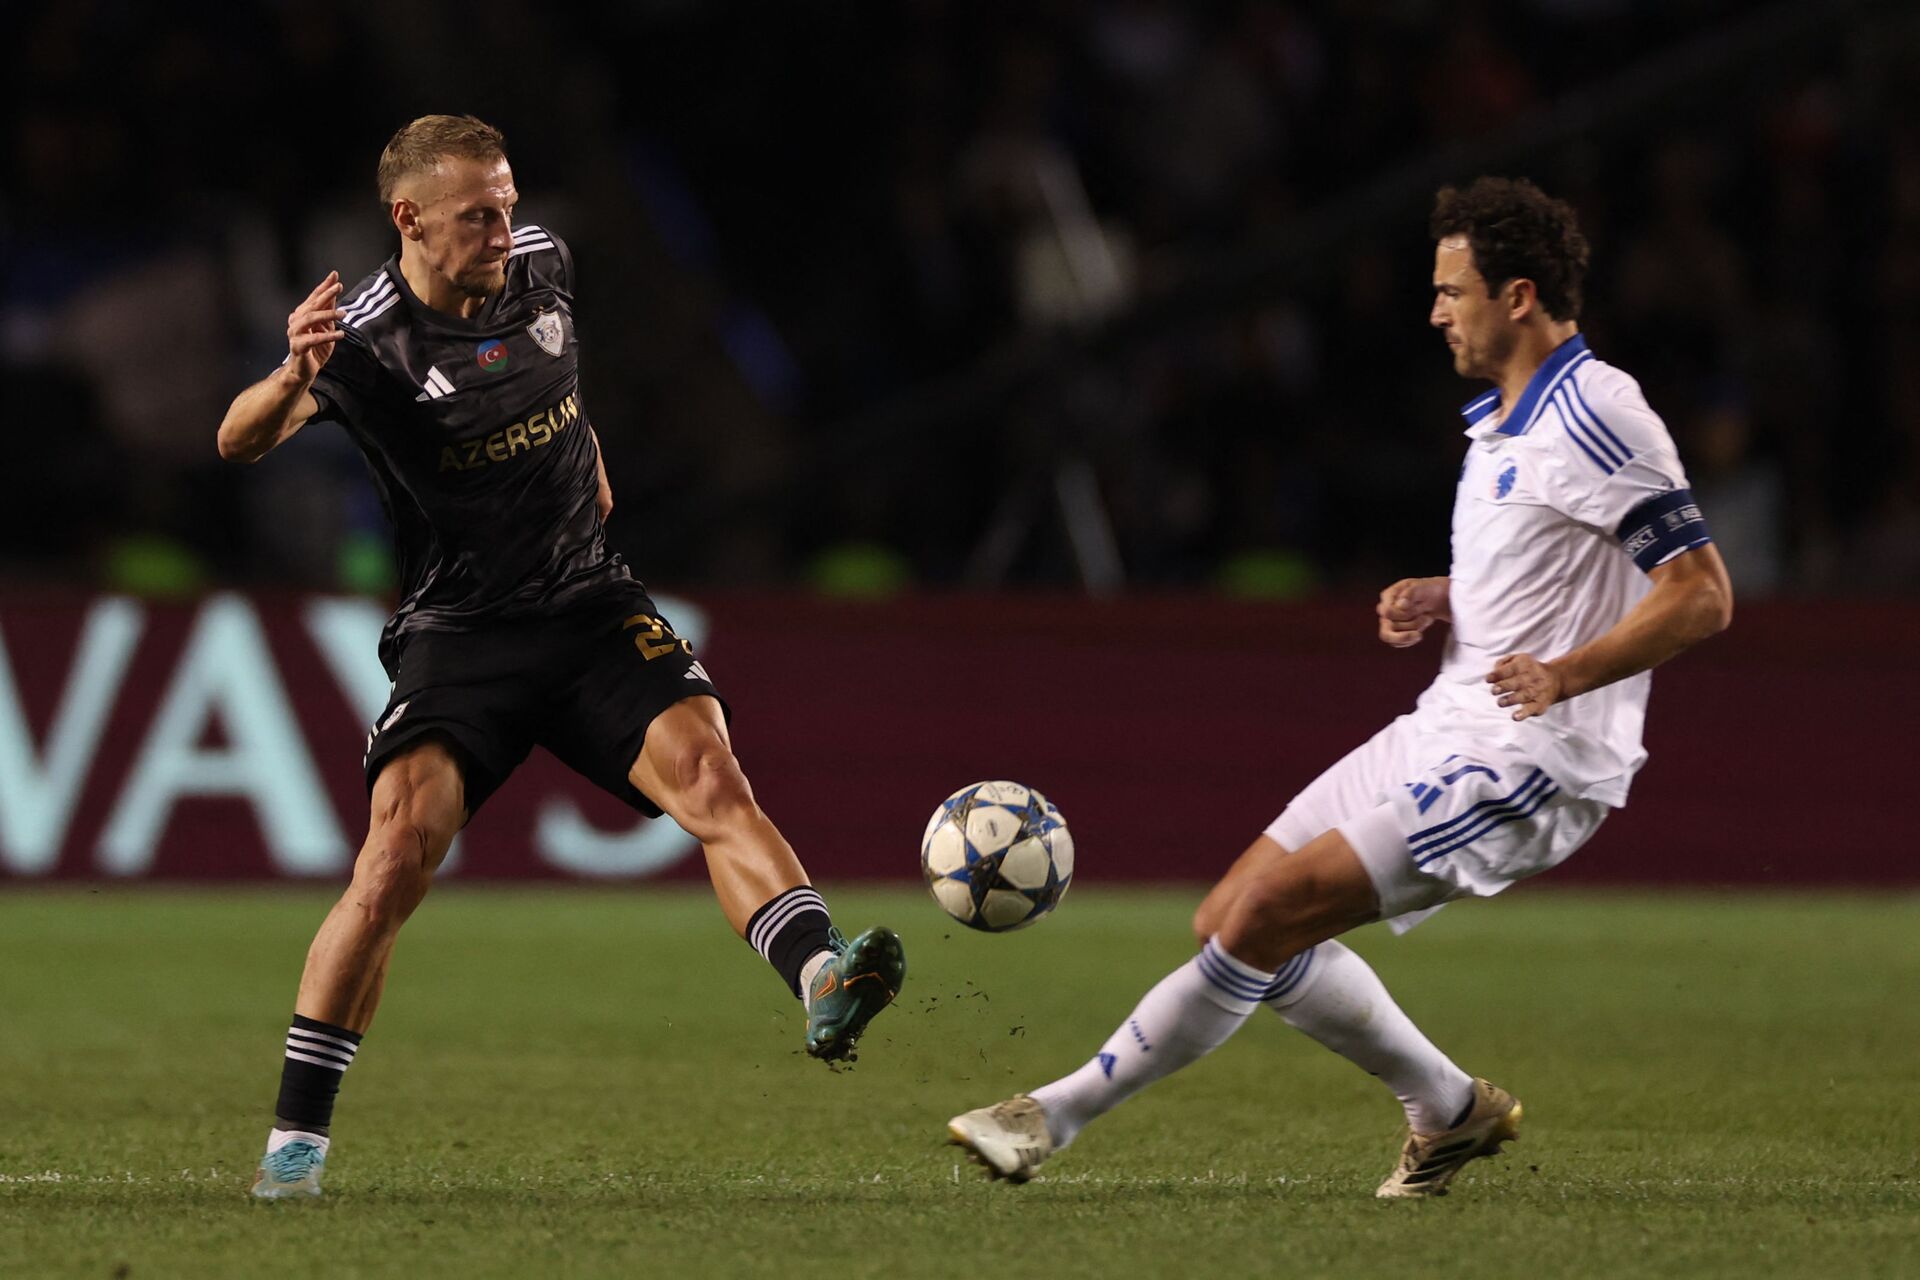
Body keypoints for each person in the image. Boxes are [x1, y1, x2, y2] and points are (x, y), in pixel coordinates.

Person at [947, 176, 1732, 1198]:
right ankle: (1450, 1107)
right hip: (1446, 724)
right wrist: (1451, 596)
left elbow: (1701, 594)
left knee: (1268, 912)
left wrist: (1566, 672)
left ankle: (1050, 1115)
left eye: (1452, 291)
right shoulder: (1504, 420)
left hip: (1534, 757)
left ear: (1519, 296)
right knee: (1229, 916)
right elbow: (1558, 568)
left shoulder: (1599, 412)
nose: (1436, 311)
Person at [219, 115, 906, 1200]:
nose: (504, 229)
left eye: (506, 204)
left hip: (589, 605)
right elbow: (239, 438)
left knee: (713, 781)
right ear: (409, 220)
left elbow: (558, 393)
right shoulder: (365, 340)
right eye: (476, 216)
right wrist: (286, 371)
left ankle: (823, 975)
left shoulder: (546, 264)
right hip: (461, 635)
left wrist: (585, 458)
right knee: (393, 860)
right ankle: (295, 1147)